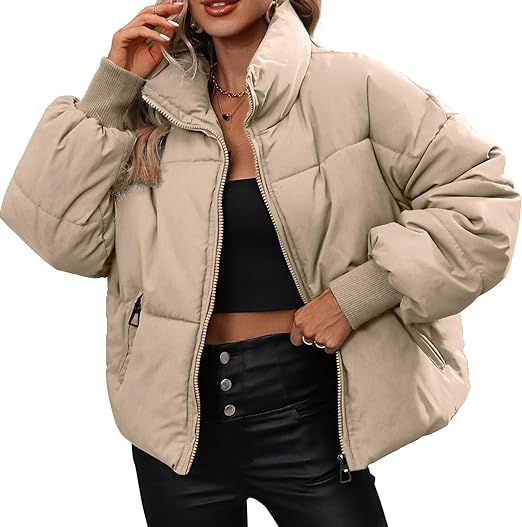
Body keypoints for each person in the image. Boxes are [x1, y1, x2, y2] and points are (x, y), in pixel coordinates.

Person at [1, 0, 519, 525]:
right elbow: (58, 238)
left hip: (307, 408)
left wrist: (359, 294)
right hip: (173, 424)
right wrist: (113, 89)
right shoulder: (150, 107)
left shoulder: (352, 87)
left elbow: (483, 202)